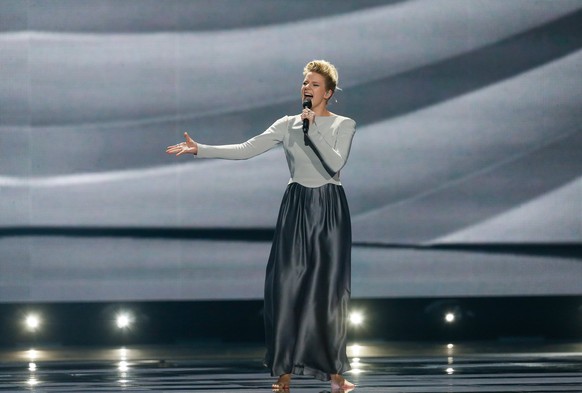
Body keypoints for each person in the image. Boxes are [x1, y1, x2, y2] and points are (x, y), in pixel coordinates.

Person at [166, 60, 356, 391]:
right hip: (296, 206)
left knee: (327, 292)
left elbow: (335, 163)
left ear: (328, 92)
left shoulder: (344, 124)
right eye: (304, 83)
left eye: (313, 84)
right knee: (284, 287)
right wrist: (201, 150)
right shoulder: (287, 124)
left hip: (329, 209)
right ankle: (284, 373)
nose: (306, 88)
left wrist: (312, 131)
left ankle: (335, 374)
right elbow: (246, 150)